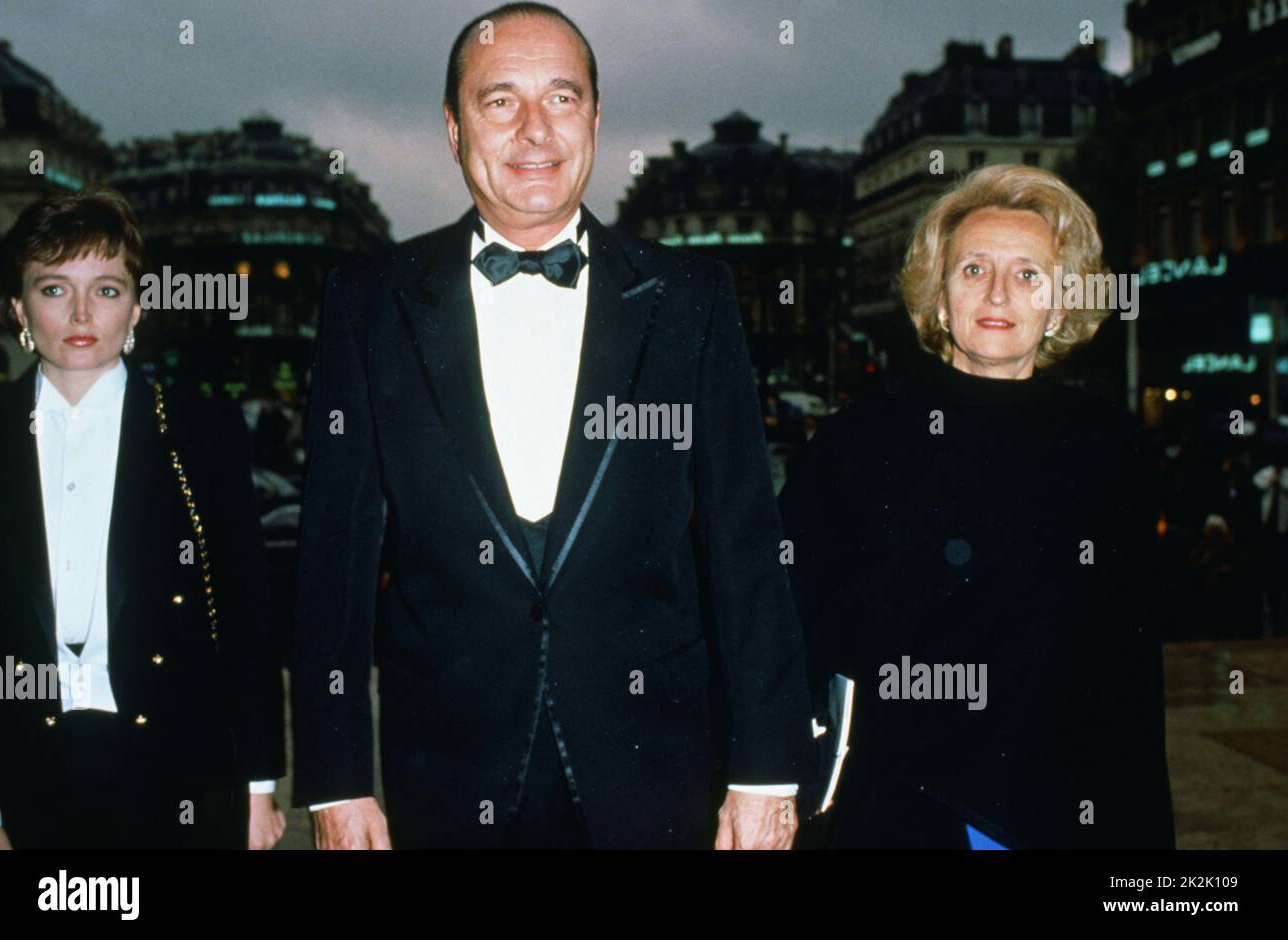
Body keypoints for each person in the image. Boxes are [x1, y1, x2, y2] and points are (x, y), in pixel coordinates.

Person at [291, 1, 812, 849]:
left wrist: (764, 771)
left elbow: (745, 545)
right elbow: (333, 560)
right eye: (500, 101)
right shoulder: (367, 302)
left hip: (656, 773)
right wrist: (336, 781)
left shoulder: (692, 299)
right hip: (446, 778)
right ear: (455, 129)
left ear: (597, 120)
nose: (536, 130)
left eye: (562, 98)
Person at [781, 164, 1175, 849]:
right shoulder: (857, 442)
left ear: (1059, 304)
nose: (998, 292)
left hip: (1060, 810)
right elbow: (788, 628)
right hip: (898, 808)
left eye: (1028, 274)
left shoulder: (1108, 449)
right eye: (973, 270)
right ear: (938, 296)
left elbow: (1130, 679)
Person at [0, 190, 286, 850]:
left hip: (178, 764)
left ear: (139, 307)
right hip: (24, 768)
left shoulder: (200, 431)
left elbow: (246, 611)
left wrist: (259, 784)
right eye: (55, 288)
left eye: (108, 289)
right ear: (19, 310)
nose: (83, 313)